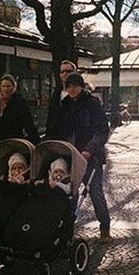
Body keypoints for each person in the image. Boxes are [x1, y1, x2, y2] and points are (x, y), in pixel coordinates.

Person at [48, 71, 112, 241]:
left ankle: (105, 226)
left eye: (75, 86)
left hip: (89, 156)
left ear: (81, 86)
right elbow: (57, 127)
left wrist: (90, 149)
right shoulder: (65, 104)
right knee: (68, 192)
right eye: (68, 86)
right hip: (69, 154)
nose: (71, 89)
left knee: (95, 192)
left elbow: (102, 130)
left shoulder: (92, 103)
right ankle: (67, 225)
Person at [0, 74, 40, 159]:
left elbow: (29, 124)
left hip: (13, 143)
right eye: (3, 86)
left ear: (14, 87)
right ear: (0, 87)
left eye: (9, 86)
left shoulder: (20, 102)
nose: (6, 89)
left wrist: (36, 144)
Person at [45, 60, 77, 136]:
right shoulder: (56, 93)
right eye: (62, 71)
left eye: (68, 71)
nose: (65, 73)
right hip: (57, 136)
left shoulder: (81, 94)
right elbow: (51, 116)